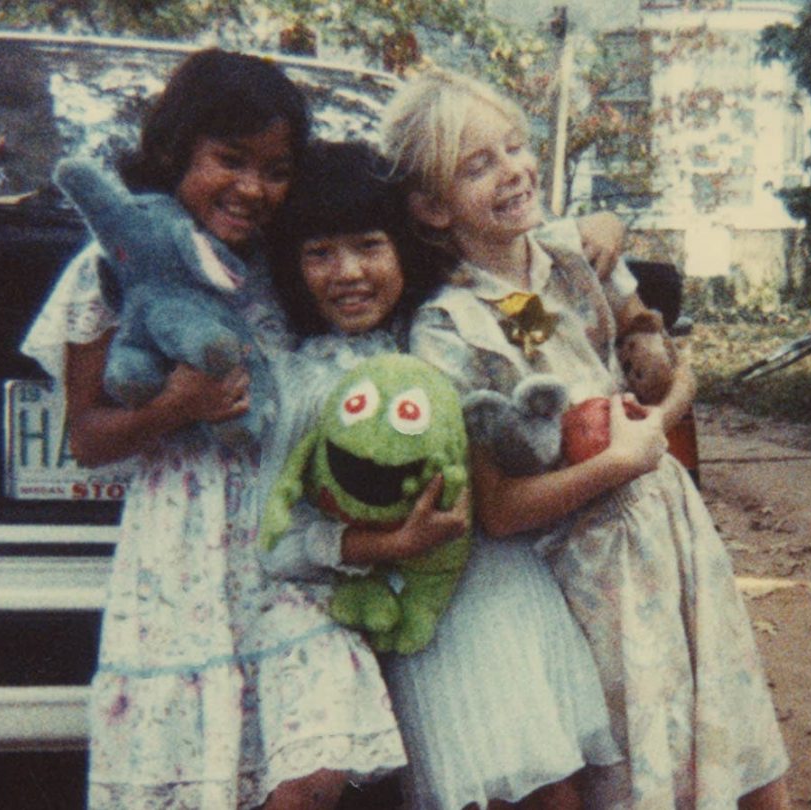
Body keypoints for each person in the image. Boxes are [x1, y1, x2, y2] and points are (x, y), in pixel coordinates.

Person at [381, 68, 794, 810]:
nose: (513, 171)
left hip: (669, 534)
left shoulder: (563, 261)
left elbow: (621, 360)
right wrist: (626, 455)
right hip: (590, 568)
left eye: (514, 147)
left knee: (733, 734)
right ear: (432, 207)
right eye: (479, 165)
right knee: (643, 761)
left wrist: (646, 339)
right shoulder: (448, 328)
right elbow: (500, 509)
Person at [20, 50, 406, 810]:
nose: (253, 188)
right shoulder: (114, 265)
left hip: (286, 541)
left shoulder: (287, 261)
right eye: (230, 161)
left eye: (276, 169)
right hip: (181, 562)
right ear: (173, 152)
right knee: (202, 779)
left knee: (314, 767)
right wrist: (175, 407)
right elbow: (89, 437)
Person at [262, 138, 621, 810]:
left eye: (369, 245)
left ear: (404, 242)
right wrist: (388, 546)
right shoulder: (306, 382)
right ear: (292, 266)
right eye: (319, 254)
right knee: (510, 781)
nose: (348, 273)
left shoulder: (460, 309)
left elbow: (556, 325)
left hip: (508, 584)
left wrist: (598, 232)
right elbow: (281, 541)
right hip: (431, 616)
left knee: (557, 784)